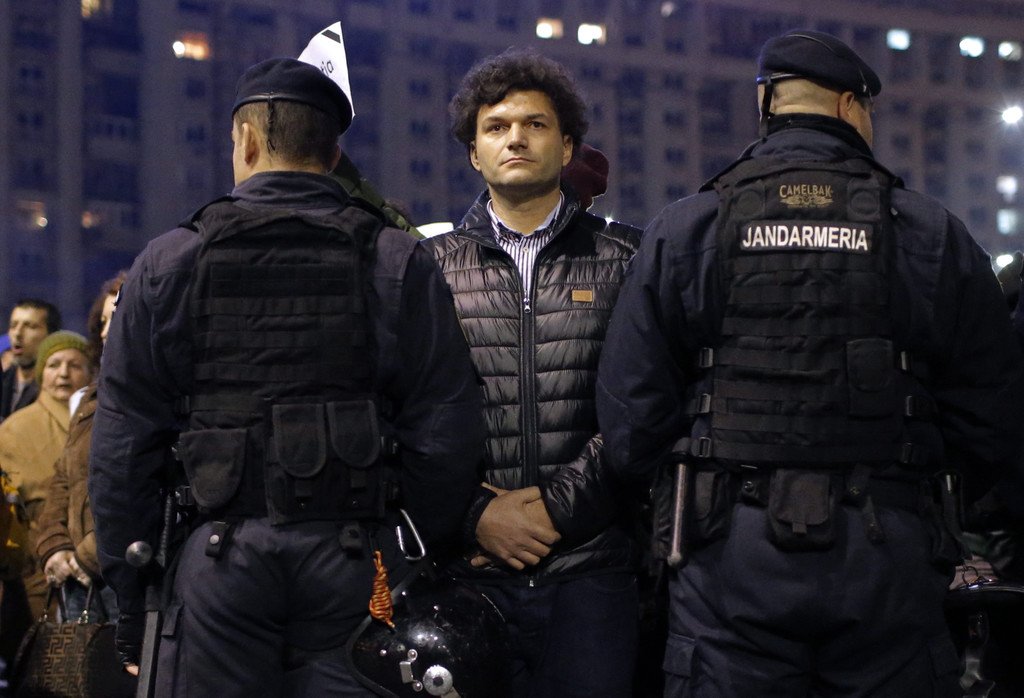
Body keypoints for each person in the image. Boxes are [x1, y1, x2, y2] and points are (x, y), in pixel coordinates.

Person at [596, 29, 1024, 697]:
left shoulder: (686, 229)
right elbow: (994, 412)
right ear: (852, 106)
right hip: (888, 546)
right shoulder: (929, 232)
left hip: (726, 554)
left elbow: (630, 417)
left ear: (764, 103)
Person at [88, 57, 484, 696]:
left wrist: (131, 593)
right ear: (333, 154)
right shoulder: (395, 257)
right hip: (358, 564)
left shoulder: (170, 260)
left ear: (245, 140)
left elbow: (122, 445)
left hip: (218, 566)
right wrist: (408, 548)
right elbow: (446, 429)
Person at [425, 49, 641, 698]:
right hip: (465, 570)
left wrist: (555, 508)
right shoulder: (427, 267)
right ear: (474, 152)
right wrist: (476, 515)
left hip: (590, 571)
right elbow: (404, 410)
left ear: (567, 145)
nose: (515, 138)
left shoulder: (627, 257)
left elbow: (644, 406)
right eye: (496, 127)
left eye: (535, 124)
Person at [35, 274, 126, 623]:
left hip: (119, 574)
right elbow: (63, 478)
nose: (105, 332)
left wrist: (87, 556)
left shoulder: (152, 395)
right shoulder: (90, 398)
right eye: (102, 321)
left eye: (116, 318)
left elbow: (137, 487)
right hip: (75, 575)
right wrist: (54, 546)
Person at [0, 331, 93, 619]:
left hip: (94, 562)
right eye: (54, 365)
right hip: (38, 572)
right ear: (42, 373)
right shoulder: (14, 431)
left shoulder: (98, 424)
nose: (63, 373)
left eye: (74, 365)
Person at [0, 299, 61, 421]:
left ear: (51, 336)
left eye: (30, 326)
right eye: (13, 325)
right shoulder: (4, 381)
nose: (17, 333)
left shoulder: (59, 388)